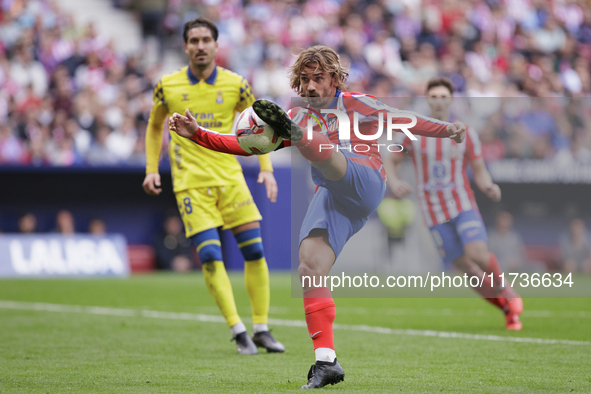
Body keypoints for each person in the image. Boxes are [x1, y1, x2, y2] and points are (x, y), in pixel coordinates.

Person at [168, 45, 466, 389]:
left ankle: (300, 139)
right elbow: (244, 145)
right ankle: (327, 361)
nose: (310, 87)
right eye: (305, 79)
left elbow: (406, 119)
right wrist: (197, 134)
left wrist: (448, 129)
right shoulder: (300, 116)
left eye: (318, 78)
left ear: (335, 79)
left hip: (364, 179)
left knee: (326, 154)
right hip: (332, 192)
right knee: (309, 265)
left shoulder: (356, 104)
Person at [142, 18, 284, 355]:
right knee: (208, 255)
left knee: (254, 251)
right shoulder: (168, 85)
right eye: (194, 40)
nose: (201, 45)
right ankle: (238, 330)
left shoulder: (237, 84)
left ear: (217, 45)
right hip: (191, 183)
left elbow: (262, 126)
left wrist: (267, 168)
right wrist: (151, 169)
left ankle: (261, 327)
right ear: (186, 46)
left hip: (230, 178)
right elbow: (154, 126)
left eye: (206, 39)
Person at [384, 77, 523, 331]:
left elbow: (479, 169)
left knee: (477, 255)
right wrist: (393, 182)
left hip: (461, 203)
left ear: (451, 99)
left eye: (443, 97)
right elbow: (392, 159)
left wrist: (488, 185)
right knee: (466, 269)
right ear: (427, 99)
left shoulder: (467, 132)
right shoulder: (413, 132)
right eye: (434, 97)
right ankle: (507, 310)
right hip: (432, 211)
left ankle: (504, 288)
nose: (439, 101)